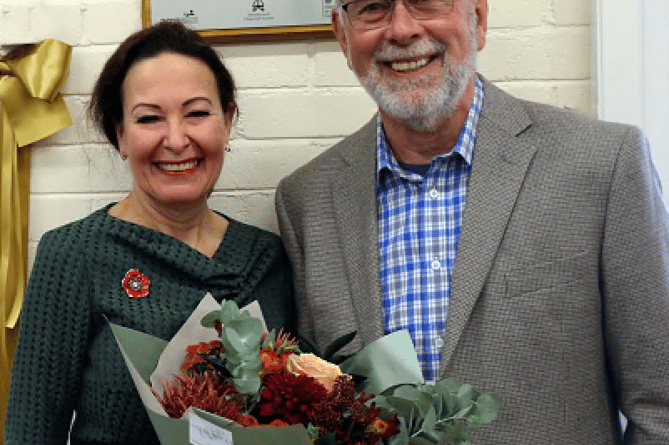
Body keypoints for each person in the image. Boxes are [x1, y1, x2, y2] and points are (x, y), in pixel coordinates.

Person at [275, 0, 669, 443]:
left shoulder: (604, 163)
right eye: (374, 7)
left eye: (426, 2)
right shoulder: (307, 199)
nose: (402, 29)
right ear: (343, 35)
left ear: (477, 18)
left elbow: (660, 403)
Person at [5, 21, 295, 445]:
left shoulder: (268, 256)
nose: (176, 140)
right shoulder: (72, 255)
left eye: (197, 113)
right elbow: (30, 435)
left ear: (227, 121)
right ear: (121, 134)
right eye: (149, 118)